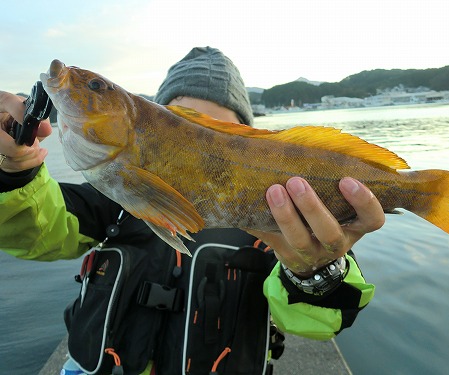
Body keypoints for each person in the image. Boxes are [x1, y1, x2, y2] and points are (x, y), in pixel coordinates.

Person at [0, 47, 384, 374]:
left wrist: (315, 270)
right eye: (181, 120)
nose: (197, 137)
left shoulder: (285, 227)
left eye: (217, 130)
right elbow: (38, 233)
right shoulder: (116, 200)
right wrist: (13, 175)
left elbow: (322, 323)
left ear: (247, 136)